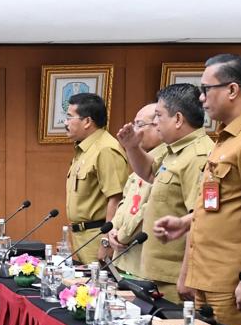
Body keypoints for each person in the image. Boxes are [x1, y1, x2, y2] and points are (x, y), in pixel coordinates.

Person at [176, 55, 241, 325]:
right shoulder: (224, 139)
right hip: (206, 277)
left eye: (206, 89)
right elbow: (216, 205)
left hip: (232, 283)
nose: (201, 98)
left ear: (232, 90)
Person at [132, 85, 213, 301]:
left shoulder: (198, 155)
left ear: (178, 119)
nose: (155, 122)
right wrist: (132, 147)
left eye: (158, 116)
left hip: (175, 277)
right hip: (157, 273)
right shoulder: (175, 150)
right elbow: (148, 173)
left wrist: (186, 276)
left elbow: (199, 220)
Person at [64, 93, 127, 262]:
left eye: (70, 117)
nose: (65, 123)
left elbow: (116, 198)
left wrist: (105, 243)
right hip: (82, 237)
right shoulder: (85, 149)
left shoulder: (105, 149)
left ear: (87, 121)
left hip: (98, 236)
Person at [110, 103, 163, 276]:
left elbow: (149, 208)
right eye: (133, 124)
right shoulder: (140, 159)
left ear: (158, 126)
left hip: (142, 259)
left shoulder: (164, 161)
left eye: (139, 124)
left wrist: (122, 236)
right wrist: (112, 229)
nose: (133, 129)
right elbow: (125, 202)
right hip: (123, 259)